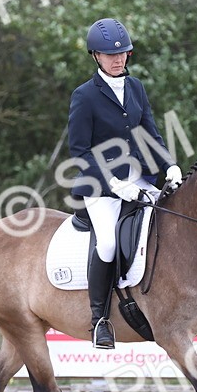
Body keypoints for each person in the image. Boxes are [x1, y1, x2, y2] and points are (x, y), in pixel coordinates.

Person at [68, 18, 182, 349]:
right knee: (106, 244)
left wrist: (169, 165)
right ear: (95, 56)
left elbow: (150, 133)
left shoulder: (136, 88)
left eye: (123, 54)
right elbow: (80, 152)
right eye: (109, 55)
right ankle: (100, 319)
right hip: (101, 188)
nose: (118, 60)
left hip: (140, 179)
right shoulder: (84, 96)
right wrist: (115, 184)